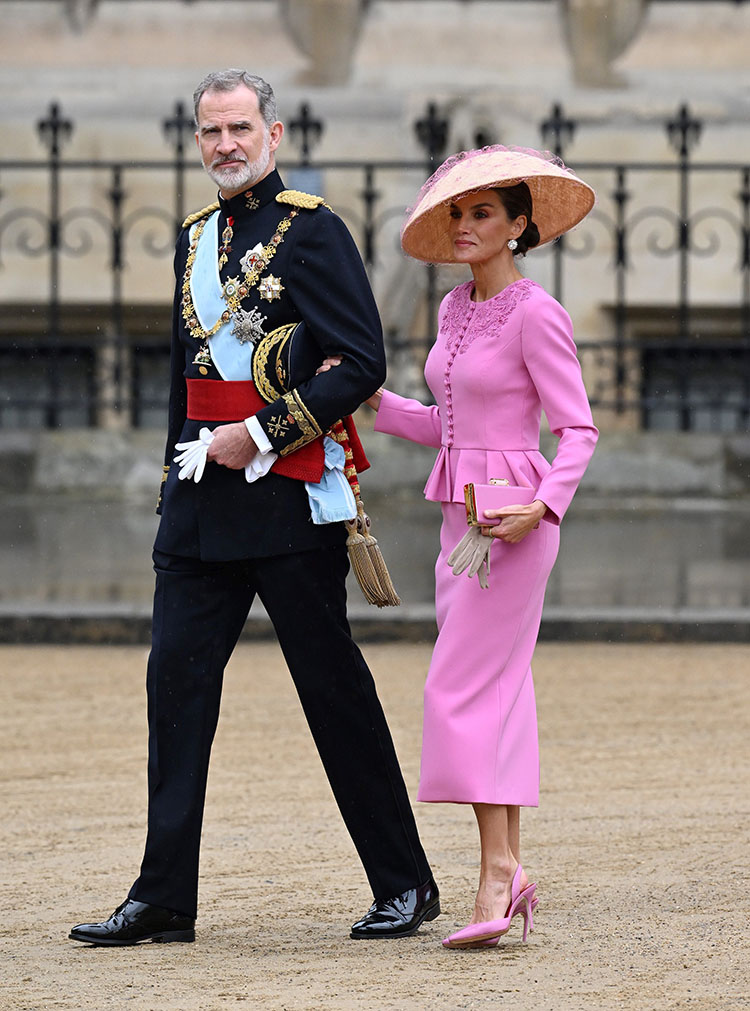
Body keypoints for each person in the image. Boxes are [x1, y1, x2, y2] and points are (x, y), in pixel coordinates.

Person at [69, 69, 438, 947]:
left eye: (240, 128)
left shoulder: (314, 233)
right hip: (198, 508)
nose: (225, 145)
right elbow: (182, 381)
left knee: (332, 691)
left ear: (272, 133)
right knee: (175, 691)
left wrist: (264, 433)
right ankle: (164, 896)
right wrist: (175, 479)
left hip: (285, 498)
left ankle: (405, 883)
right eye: (210, 132)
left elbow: (360, 361)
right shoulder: (196, 237)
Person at [365, 146, 598, 948]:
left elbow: (578, 429)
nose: (465, 226)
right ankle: (508, 871)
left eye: (483, 214)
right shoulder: (454, 311)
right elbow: (449, 425)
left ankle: (497, 873)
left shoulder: (539, 312)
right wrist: (375, 402)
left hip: (516, 526)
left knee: (456, 689)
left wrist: (543, 505)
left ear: (520, 226)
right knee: (498, 693)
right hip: (458, 522)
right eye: (457, 214)